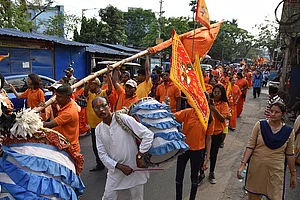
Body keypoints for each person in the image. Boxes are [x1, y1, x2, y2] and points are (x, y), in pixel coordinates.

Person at [93, 96, 154, 200]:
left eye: (103, 106)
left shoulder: (122, 119)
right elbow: (102, 154)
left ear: (109, 106)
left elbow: (148, 135)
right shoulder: (98, 129)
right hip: (115, 171)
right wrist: (119, 166)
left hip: (134, 168)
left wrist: (140, 155)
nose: (101, 110)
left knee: (137, 198)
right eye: (97, 107)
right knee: (108, 197)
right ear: (94, 110)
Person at [237, 101, 296, 200]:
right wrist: (242, 164)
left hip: (276, 171)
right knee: (254, 196)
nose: (273, 114)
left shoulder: (289, 131)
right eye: (271, 111)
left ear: (283, 114)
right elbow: (250, 146)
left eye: (276, 112)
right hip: (257, 168)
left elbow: (290, 154)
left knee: (275, 195)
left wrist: (293, 174)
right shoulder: (260, 125)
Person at [174, 97, 214, 200]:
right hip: (184, 150)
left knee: (194, 178)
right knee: (179, 177)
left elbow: (209, 138)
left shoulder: (209, 118)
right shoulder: (188, 112)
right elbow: (173, 117)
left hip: (198, 151)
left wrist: (207, 158)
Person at [84, 76, 111, 171]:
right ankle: (99, 164)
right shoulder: (90, 94)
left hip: (103, 125)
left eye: (91, 84)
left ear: (96, 85)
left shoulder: (103, 93)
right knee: (96, 147)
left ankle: (112, 165)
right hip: (93, 126)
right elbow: (85, 92)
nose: (89, 86)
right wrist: (89, 81)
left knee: (108, 146)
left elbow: (110, 90)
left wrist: (109, 75)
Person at [43, 84, 80, 153]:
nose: (56, 98)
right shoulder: (65, 104)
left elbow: (51, 124)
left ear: (68, 98)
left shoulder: (69, 112)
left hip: (69, 147)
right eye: (56, 95)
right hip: (62, 144)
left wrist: (34, 123)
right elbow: (57, 118)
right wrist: (53, 107)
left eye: (59, 97)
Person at [209, 84, 229, 184]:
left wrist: (215, 110)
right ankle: (201, 173)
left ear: (222, 94)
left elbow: (222, 119)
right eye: (214, 92)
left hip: (217, 133)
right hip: (207, 133)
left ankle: (211, 172)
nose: (216, 94)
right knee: (202, 154)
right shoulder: (209, 101)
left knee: (213, 154)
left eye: (218, 93)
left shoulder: (224, 104)